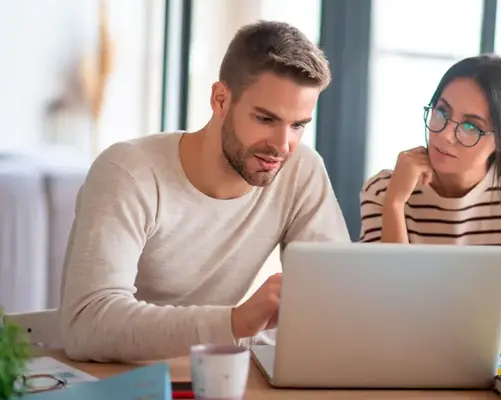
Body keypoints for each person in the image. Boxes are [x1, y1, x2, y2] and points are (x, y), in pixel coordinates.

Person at [59, 20, 350, 362]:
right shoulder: (128, 172)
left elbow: (334, 302)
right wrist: (236, 322)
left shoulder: (301, 169)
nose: (282, 146)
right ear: (220, 99)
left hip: (218, 376)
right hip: (126, 379)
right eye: (266, 119)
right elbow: (87, 324)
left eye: (298, 125)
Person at [359, 55, 501, 353]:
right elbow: (382, 308)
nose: (444, 134)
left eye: (470, 126)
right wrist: (395, 204)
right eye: (442, 112)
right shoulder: (384, 190)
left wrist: (498, 341)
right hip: (407, 358)